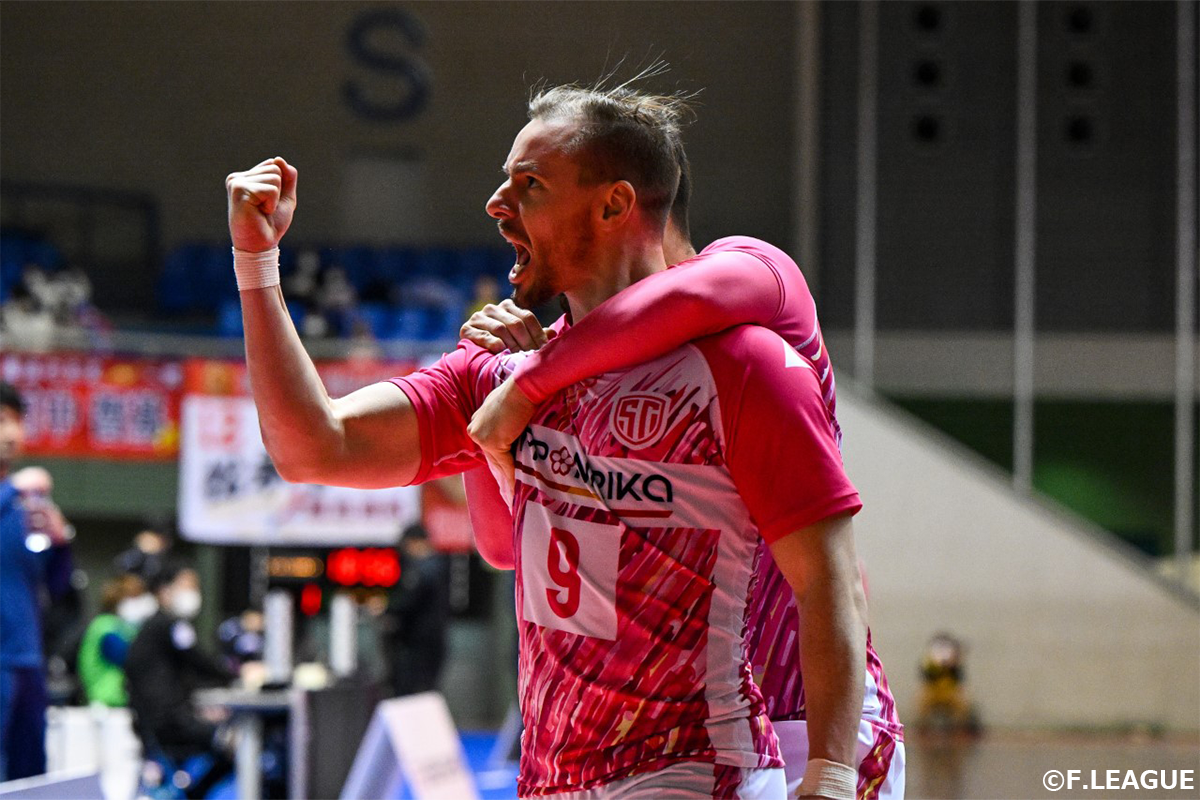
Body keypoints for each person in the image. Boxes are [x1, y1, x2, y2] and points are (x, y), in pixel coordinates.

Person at [225, 81, 866, 798]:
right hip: (554, 773)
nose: (495, 204)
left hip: (727, 752)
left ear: (615, 205)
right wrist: (256, 264)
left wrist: (831, 775)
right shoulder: (498, 371)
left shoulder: (747, 349)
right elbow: (315, 447)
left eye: (529, 185)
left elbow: (829, 579)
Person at [458, 150, 905, 797]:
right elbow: (504, 548)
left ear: (623, 209)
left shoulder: (754, 274)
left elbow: (694, 296)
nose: (510, 215)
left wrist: (529, 382)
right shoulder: (573, 357)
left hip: (810, 718)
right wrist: (488, 381)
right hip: (679, 739)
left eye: (538, 191)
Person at [0, 381, 75, 781]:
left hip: (26, 660)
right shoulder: (15, 492)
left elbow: (57, 586)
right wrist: (12, 487)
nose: (12, 433)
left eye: (17, 421)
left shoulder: (26, 506)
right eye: (1, 421)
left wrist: (60, 544)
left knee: (29, 777)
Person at [124, 561, 234, 798]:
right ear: (165, 591)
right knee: (236, 744)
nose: (193, 593)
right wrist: (237, 676)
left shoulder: (155, 628)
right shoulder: (168, 625)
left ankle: (191, 793)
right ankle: (193, 794)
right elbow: (199, 661)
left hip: (161, 722)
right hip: (169, 725)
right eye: (186, 586)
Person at [384, 523, 450, 697]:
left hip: (421, 642)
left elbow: (409, 601)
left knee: (417, 691)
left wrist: (387, 609)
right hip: (429, 639)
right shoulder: (435, 565)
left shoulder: (428, 568)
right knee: (423, 689)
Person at [77, 573, 156, 707]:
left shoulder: (125, 627)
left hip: (121, 700)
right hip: (107, 701)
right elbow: (128, 658)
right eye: (135, 597)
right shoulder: (105, 627)